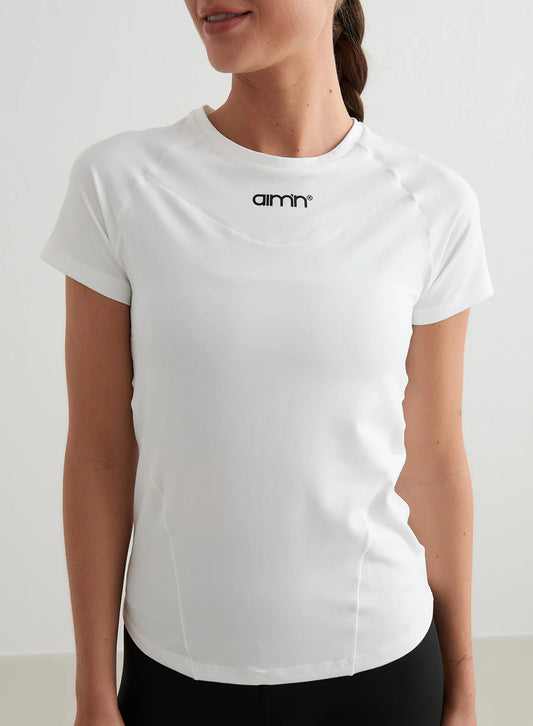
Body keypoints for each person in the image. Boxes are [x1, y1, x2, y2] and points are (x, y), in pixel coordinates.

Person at [40, 1, 494, 724]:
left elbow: (435, 463)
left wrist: (463, 690)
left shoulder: (431, 205)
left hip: (383, 672)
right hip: (175, 676)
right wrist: (93, 689)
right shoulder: (119, 184)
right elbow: (99, 454)